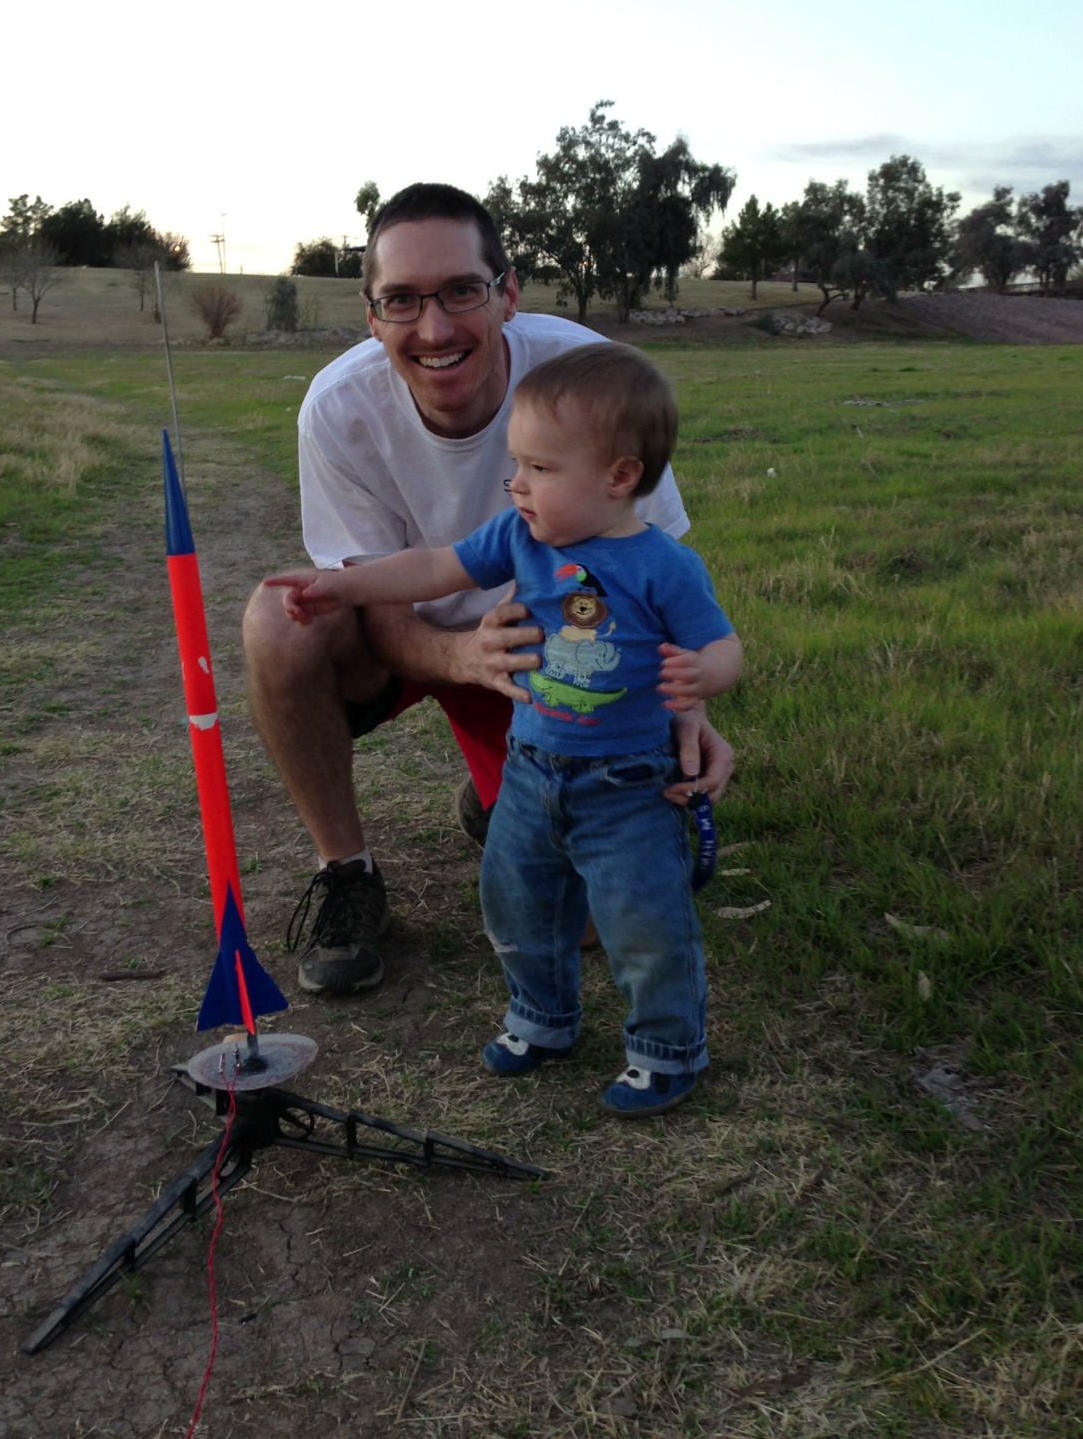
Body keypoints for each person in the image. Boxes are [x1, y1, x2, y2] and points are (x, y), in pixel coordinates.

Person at [242, 183, 735, 997]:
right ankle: (346, 872)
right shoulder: (337, 408)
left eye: (461, 291)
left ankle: (499, 798)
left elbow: (650, 577)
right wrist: (462, 656)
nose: (434, 329)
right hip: (414, 638)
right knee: (277, 621)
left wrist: (689, 708)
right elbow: (385, 596)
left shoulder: (590, 382)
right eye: (402, 300)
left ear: (508, 293)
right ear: (372, 317)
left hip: (548, 651)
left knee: (592, 920)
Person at [266, 343, 742, 1116]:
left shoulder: (666, 567)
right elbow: (433, 567)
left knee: (643, 921)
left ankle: (666, 1050)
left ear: (620, 477)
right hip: (531, 770)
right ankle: (541, 1018)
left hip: (628, 786)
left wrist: (705, 675)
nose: (516, 482)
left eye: (540, 468)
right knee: (516, 902)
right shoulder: (521, 536)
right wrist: (340, 587)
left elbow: (723, 646)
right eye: (516, 463)